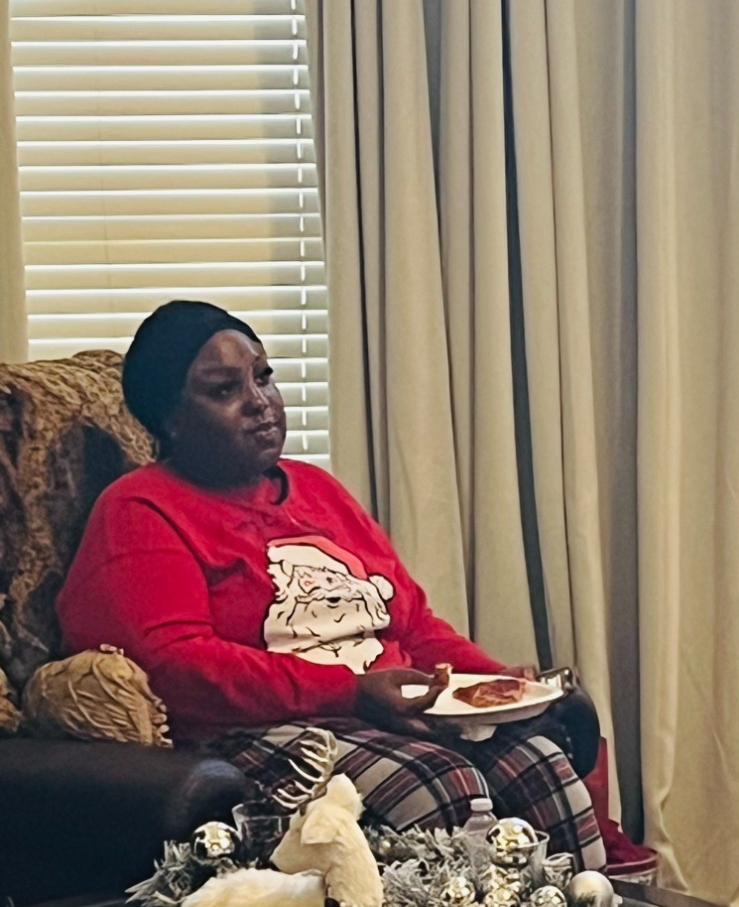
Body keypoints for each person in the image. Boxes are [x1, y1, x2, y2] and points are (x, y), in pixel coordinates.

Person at [58, 301, 605, 865]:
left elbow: (411, 625)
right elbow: (176, 665)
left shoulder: (318, 490)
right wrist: (349, 691)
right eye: (224, 390)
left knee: (538, 761)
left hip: (382, 711)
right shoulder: (140, 510)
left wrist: (499, 684)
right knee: (440, 783)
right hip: (257, 728)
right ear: (169, 418)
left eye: (263, 376)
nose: (260, 402)